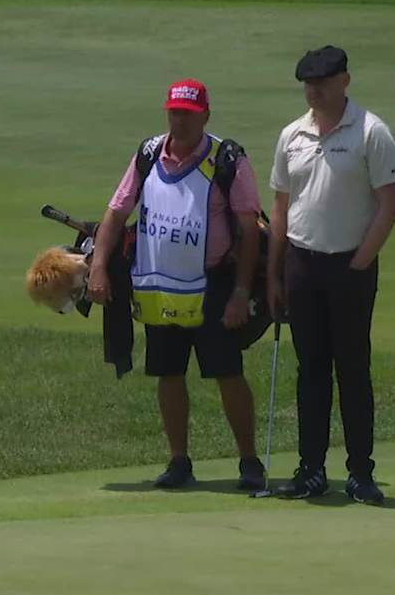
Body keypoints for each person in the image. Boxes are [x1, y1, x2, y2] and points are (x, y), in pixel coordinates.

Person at [87, 79, 266, 490]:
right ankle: (179, 461)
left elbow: (249, 229)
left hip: (214, 284)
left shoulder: (227, 158)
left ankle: (249, 461)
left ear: (205, 114)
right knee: (168, 373)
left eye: (187, 113)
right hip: (159, 285)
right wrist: (98, 266)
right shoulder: (149, 154)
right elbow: (116, 213)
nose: (179, 121)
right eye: (173, 112)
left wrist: (241, 293)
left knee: (227, 372)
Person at [266, 46, 395, 504]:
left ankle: (361, 472)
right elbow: (281, 209)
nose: (313, 90)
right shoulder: (292, 135)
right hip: (301, 263)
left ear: (344, 80)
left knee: (353, 369)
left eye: (322, 82)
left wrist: (361, 260)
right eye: (308, 83)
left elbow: (389, 204)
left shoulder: (370, 132)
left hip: (350, 265)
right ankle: (311, 470)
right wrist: (275, 272)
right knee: (311, 371)